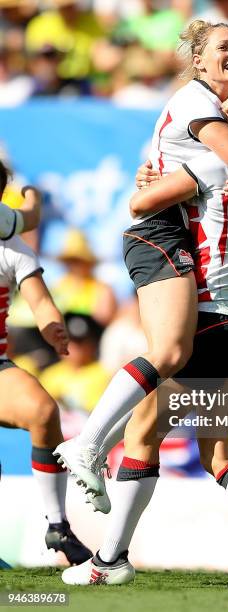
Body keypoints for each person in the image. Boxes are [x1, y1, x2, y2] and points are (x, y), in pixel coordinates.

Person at [60, 89, 228, 589]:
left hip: (211, 320)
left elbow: (139, 204)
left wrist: (149, 177)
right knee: (220, 453)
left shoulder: (216, 169)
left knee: (140, 433)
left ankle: (109, 561)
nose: (222, 118)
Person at [0, 160, 91, 565]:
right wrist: (32, 200)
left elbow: (38, 299)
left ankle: (57, 525)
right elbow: (31, 213)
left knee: (41, 411)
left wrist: (52, 325)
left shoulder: (12, 244)